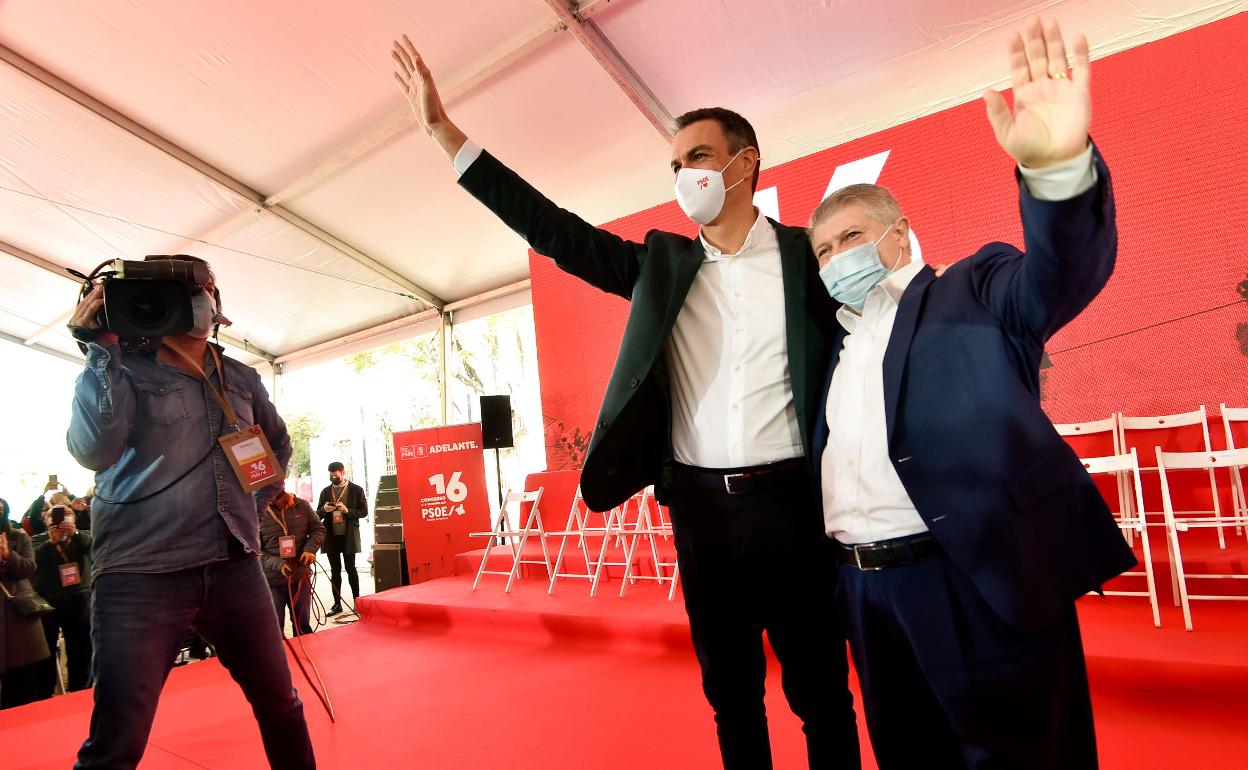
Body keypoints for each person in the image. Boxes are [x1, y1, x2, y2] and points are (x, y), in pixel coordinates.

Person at [392, 37, 859, 770]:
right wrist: (445, 134)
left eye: (698, 157)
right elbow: (552, 229)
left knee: (822, 693)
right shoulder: (660, 267)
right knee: (732, 697)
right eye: (675, 164)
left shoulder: (809, 260)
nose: (685, 175)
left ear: (746, 162)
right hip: (702, 513)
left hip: (794, 507)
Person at [808, 18, 1134, 769]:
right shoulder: (839, 347)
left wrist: (1057, 172)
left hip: (971, 581)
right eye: (823, 250)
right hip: (866, 597)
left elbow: (1062, 274)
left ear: (899, 234)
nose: (835, 259)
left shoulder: (972, 290)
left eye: (850, 239)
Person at [66, 254, 315, 769]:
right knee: (117, 743)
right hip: (140, 573)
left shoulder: (240, 376)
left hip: (234, 566)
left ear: (215, 302)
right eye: (166, 295)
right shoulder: (121, 369)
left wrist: (250, 509)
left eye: (200, 290)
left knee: (283, 706)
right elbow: (93, 449)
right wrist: (101, 349)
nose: (190, 302)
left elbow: (276, 448)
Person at [33, 503, 94, 692]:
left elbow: (92, 547)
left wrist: (74, 534)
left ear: (74, 518)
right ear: (46, 521)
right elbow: (33, 560)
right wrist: (52, 542)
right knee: (47, 651)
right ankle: (45, 690)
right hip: (48, 601)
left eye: (68, 514)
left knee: (80, 647)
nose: (62, 518)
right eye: (56, 515)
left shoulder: (82, 536)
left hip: (79, 599)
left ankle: (79, 688)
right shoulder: (38, 540)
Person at [0, 507, 54, 709]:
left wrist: (7, 555)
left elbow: (28, 568)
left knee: (22, 682)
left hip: (17, 615)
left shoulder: (19, 537)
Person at [260, 491, 325, 635]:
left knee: (302, 626)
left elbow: (318, 529)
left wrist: (310, 549)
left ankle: (303, 656)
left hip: (300, 576)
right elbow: (253, 550)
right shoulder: (255, 512)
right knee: (274, 631)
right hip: (272, 581)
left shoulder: (302, 505)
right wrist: (278, 564)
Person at [316, 463, 367, 617]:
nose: (333, 478)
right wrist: (325, 510)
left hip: (349, 536)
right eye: (331, 476)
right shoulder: (325, 491)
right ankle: (337, 604)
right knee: (335, 571)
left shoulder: (356, 490)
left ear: (343, 473)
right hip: (331, 537)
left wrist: (347, 511)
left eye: (336, 476)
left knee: (351, 569)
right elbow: (317, 515)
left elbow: (364, 511)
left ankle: (357, 602)